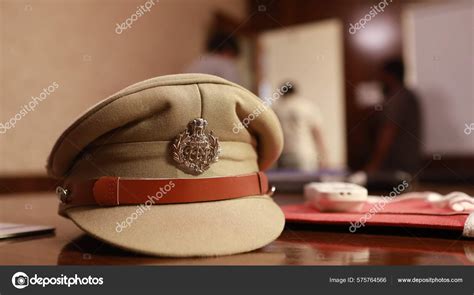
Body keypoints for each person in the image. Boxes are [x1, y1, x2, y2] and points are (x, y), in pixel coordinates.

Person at [364, 58, 422, 174]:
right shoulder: (409, 95)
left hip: (395, 166)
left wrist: (374, 165)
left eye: (382, 75)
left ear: (389, 76)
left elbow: (388, 132)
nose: (379, 79)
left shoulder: (396, 99)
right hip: (410, 163)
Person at [272, 82, 328, 171]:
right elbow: (317, 133)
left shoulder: (276, 108)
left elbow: (272, 135)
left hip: (283, 154)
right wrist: (323, 156)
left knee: (284, 183)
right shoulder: (307, 106)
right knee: (306, 183)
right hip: (304, 154)